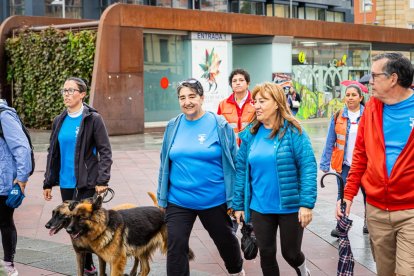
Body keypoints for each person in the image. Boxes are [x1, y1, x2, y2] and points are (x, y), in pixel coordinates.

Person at [336, 52, 414, 276]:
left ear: (393, 79)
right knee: (385, 271)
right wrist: (348, 196)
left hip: (410, 210)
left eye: (374, 76)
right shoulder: (371, 109)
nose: (369, 82)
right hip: (377, 210)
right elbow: (360, 154)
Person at [157, 78, 245, 276]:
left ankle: (237, 270)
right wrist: (162, 197)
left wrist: (238, 199)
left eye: (192, 96)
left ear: (202, 98)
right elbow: (164, 162)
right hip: (178, 199)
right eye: (182, 97)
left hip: (214, 198)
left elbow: (237, 162)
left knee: (225, 240)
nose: (187, 101)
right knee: (175, 246)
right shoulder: (173, 126)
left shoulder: (219, 124)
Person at [233, 82, 317, 276]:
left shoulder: (293, 132)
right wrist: (238, 205)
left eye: (263, 101)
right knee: (267, 254)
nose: (257, 105)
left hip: (290, 206)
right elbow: (241, 172)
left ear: (277, 103)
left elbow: (308, 167)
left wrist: (306, 204)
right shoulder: (250, 135)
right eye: (255, 101)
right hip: (259, 207)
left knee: (291, 253)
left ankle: (303, 271)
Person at [42, 77, 112, 276]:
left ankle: (97, 264)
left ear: (82, 94)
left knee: (88, 224)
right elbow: (52, 152)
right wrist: (48, 182)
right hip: (66, 182)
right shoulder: (59, 120)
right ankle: (87, 264)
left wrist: (102, 180)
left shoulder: (92, 119)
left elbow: (105, 150)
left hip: (87, 183)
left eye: (71, 90)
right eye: (64, 90)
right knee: (72, 225)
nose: (67, 94)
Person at [320, 84, 368, 237]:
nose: (350, 98)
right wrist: (325, 162)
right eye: (348, 95)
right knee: (342, 194)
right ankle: (341, 224)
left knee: (368, 194)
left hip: (366, 164)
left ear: (361, 98)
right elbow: (330, 140)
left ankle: (368, 222)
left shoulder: (369, 115)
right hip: (345, 164)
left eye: (354, 95)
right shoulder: (338, 115)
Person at [0, 99, 32, 276]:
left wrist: (21, 178)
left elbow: (22, 148)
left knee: (4, 221)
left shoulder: (4, 116)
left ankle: (8, 265)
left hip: (4, 182)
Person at [217, 68, 255, 146]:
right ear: (231, 85)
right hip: (231, 149)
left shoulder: (256, 102)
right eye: (234, 81)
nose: (237, 83)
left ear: (248, 83)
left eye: (241, 80)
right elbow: (219, 129)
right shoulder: (223, 105)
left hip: (252, 147)